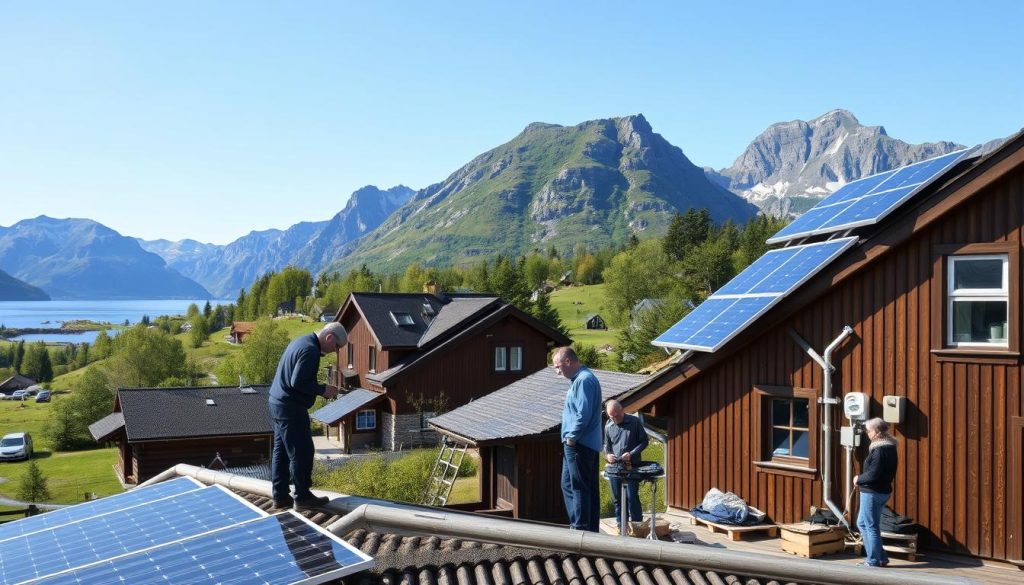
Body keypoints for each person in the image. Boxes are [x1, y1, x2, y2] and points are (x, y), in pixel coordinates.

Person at [269, 322, 346, 510]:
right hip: (290, 407)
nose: (335, 352)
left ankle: (280, 496)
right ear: (329, 338)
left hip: (276, 402)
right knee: (302, 451)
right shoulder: (311, 351)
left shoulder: (300, 341)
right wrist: (323, 390)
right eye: (337, 347)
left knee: (282, 451)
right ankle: (302, 497)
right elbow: (297, 382)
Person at [553, 346, 602, 532]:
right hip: (579, 443)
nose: (557, 372)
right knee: (569, 485)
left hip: (579, 444)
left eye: (558, 367)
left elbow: (583, 414)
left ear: (568, 361)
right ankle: (584, 527)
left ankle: (581, 529)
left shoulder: (584, 380)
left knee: (579, 487)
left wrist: (572, 437)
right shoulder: (579, 379)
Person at [854, 417, 898, 567]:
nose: (867, 433)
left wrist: (858, 479)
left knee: (870, 526)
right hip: (882, 491)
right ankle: (881, 557)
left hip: (872, 492)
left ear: (877, 432)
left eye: (868, 431)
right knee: (862, 523)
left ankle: (872, 560)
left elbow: (873, 474)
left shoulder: (879, 450)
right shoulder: (890, 447)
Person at [603, 399, 649, 533]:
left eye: (617, 415)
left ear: (622, 410)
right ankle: (621, 524)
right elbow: (606, 445)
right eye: (611, 416)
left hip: (632, 465)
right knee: (617, 499)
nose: (615, 419)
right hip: (615, 467)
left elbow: (644, 441)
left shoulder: (634, 422)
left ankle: (638, 526)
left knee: (632, 496)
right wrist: (607, 456)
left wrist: (632, 453)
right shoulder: (608, 424)